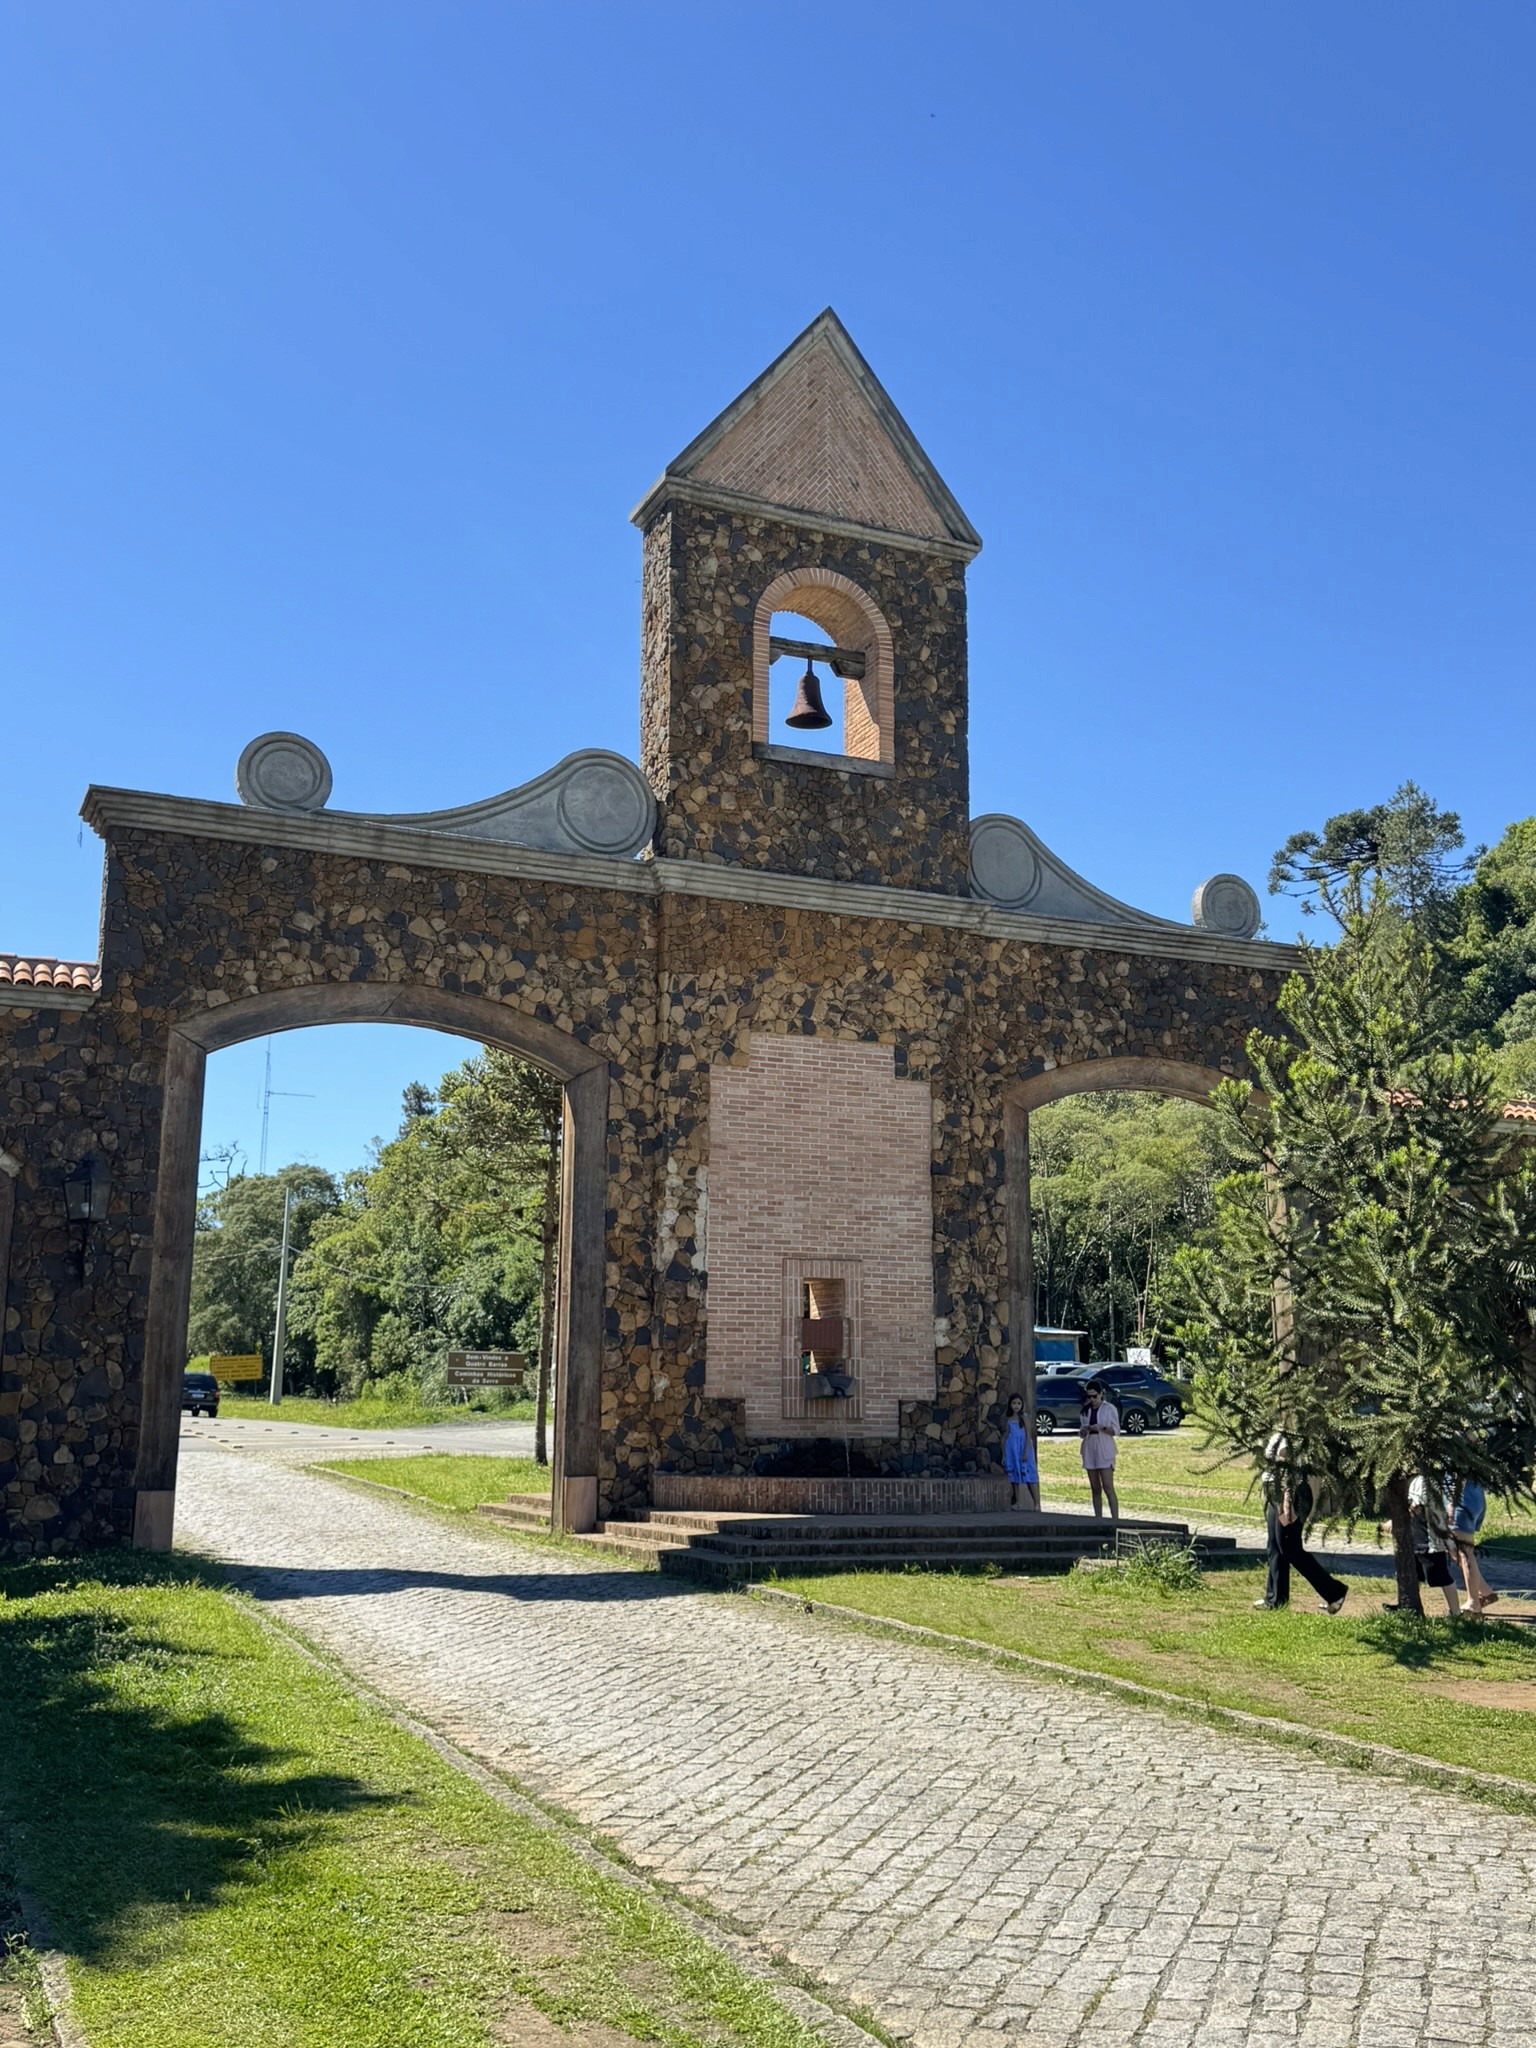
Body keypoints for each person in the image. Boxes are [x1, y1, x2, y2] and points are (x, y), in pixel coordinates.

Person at [1255, 1432, 1348, 1614]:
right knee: (1274, 1546)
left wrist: (1287, 1503)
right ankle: (1275, 1599)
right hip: (1275, 1492)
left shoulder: (1291, 1432)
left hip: (1288, 1493)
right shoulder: (1274, 1430)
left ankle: (1334, 1592)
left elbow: (1289, 1469)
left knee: (1290, 1549)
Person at [1408, 1471, 1461, 1617]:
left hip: (1430, 1541)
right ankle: (1409, 1606)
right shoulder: (1417, 1479)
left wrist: (1396, 1520)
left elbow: (1415, 1507)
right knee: (1414, 1575)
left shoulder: (1425, 1481)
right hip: (1416, 1538)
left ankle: (1455, 1611)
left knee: (1441, 1576)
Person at [1449, 1477, 1498, 1617]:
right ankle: (1486, 1592)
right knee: (1454, 1550)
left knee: (1464, 1552)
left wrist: (1452, 1504)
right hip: (1475, 1496)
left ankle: (1473, 1603)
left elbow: (1458, 1475)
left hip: (1462, 1501)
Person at [1078, 1377, 1120, 1518]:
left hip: (1104, 1447)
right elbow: (1082, 1429)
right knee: (1095, 1487)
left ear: (1101, 1394)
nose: (1092, 1399)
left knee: (1108, 1486)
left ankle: (1115, 1519)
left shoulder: (1109, 1409)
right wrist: (1084, 1431)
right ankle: (1098, 1518)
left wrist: (1101, 1428)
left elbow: (1116, 1430)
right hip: (1090, 1447)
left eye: (1094, 1396)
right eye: (1089, 1396)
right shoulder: (1085, 1410)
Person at [1002, 1393, 1040, 1510]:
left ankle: (1036, 1503)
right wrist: (1004, 1454)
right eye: (1014, 1403)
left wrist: (1025, 1452)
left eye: (1019, 1403)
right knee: (1014, 1477)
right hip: (1012, 1449)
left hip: (1023, 1448)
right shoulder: (1009, 1420)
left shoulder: (1024, 1418)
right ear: (1010, 1405)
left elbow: (1028, 1436)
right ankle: (1018, 1502)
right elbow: (1007, 1435)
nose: (1016, 1406)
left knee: (1028, 1477)